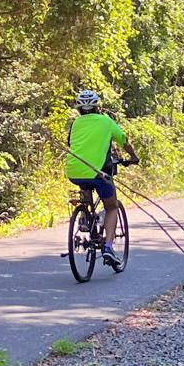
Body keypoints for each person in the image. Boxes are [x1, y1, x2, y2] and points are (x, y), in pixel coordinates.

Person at [65, 89, 137, 268]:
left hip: (73, 171)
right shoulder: (106, 121)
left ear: (79, 109)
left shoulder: (75, 124)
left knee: (84, 184)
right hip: (98, 173)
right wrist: (133, 157)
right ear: (97, 106)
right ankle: (108, 247)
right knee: (112, 207)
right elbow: (124, 140)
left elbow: (71, 143)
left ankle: (85, 217)